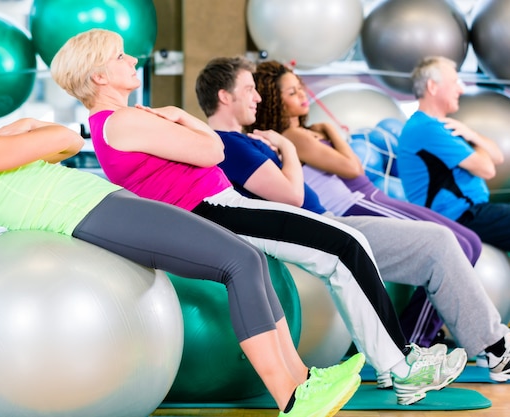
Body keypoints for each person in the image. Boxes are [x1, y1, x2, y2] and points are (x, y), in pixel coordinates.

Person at [0, 60, 364, 417]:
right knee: (236, 262)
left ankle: (303, 379)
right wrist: (28, 126)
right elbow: (68, 141)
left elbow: (54, 146)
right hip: (94, 214)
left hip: (106, 204)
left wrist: (21, 132)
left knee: (248, 259)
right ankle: (291, 396)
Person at [50, 28, 468, 406]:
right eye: (120, 57)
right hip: (214, 210)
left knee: (342, 245)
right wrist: (180, 116)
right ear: (99, 76)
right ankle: (399, 368)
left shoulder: (116, 122)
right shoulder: (121, 120)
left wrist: (180, 120)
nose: (132, 60)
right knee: (344, 246)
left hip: (220, 205)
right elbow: (213, 151)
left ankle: (394, 361)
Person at [193, 55, 510, 384]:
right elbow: (292, 196)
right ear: (224, 96)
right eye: (248, 89)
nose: (257, 96)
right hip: (323, 227)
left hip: (329, 223)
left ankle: (479, 346)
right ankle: (485, 348)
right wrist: (286, 146)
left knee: (441, 241)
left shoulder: (249, 140)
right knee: (441, 241)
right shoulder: (231, 144)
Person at [249, 60, 484, 350]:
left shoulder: (304, 134)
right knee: (459, 244)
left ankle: (420, 336)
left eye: (301, 88)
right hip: (358, 203)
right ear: (275, 100)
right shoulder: (295, 136)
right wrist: (332, 131)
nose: (302, 96)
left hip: (370, 197)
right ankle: (417, 340)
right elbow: (353, 168)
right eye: (292, 92)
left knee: (467, 242)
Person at [399, 55, 510, 255]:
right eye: (454, 82)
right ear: (432, 87)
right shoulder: (426, 128)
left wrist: (471, 134)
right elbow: (487, 168)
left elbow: (498, 156)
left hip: (469, 213)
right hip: (459, 218)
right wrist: (476, 142)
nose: (461, 89)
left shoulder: (441, 127)